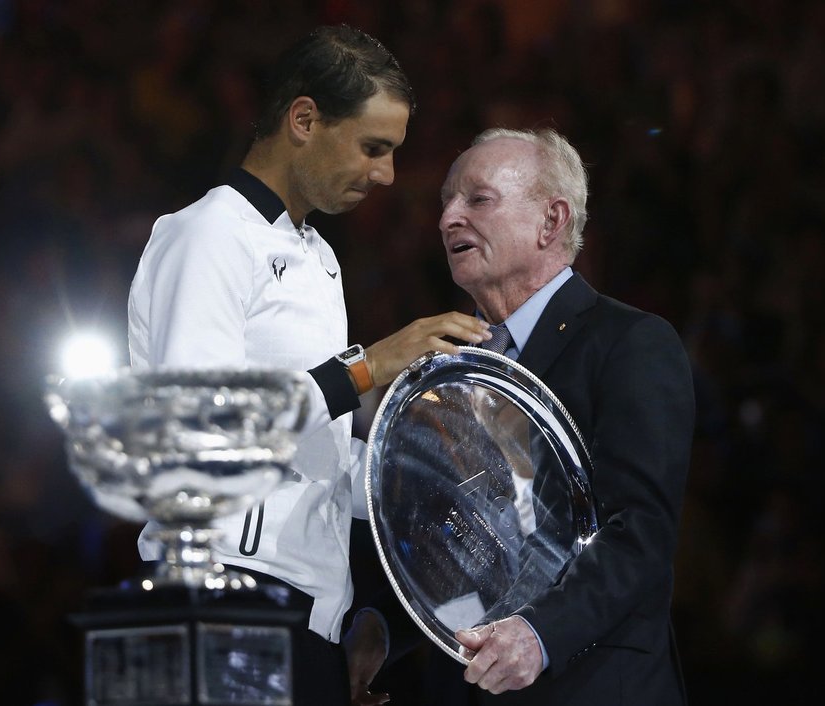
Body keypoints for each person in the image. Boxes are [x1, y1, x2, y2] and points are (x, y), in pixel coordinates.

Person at [125, 25, 489, 706]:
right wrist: (365, 368)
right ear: (304, 120)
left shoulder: (318, 258)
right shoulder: (207, 235)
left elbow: (309, 457)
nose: (385, 174)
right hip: (224, 598)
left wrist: (416, 479)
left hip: (309, 621)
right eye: (373, 148)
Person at [350, 127, 696, 704]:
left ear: (551, 221)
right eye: (446, 203)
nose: (447, 219)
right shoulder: (445, 371)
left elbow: (640, 533)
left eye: (477, 199)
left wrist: (539, 634)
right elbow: (451, 548)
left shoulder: (630, 343)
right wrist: (379, 630)